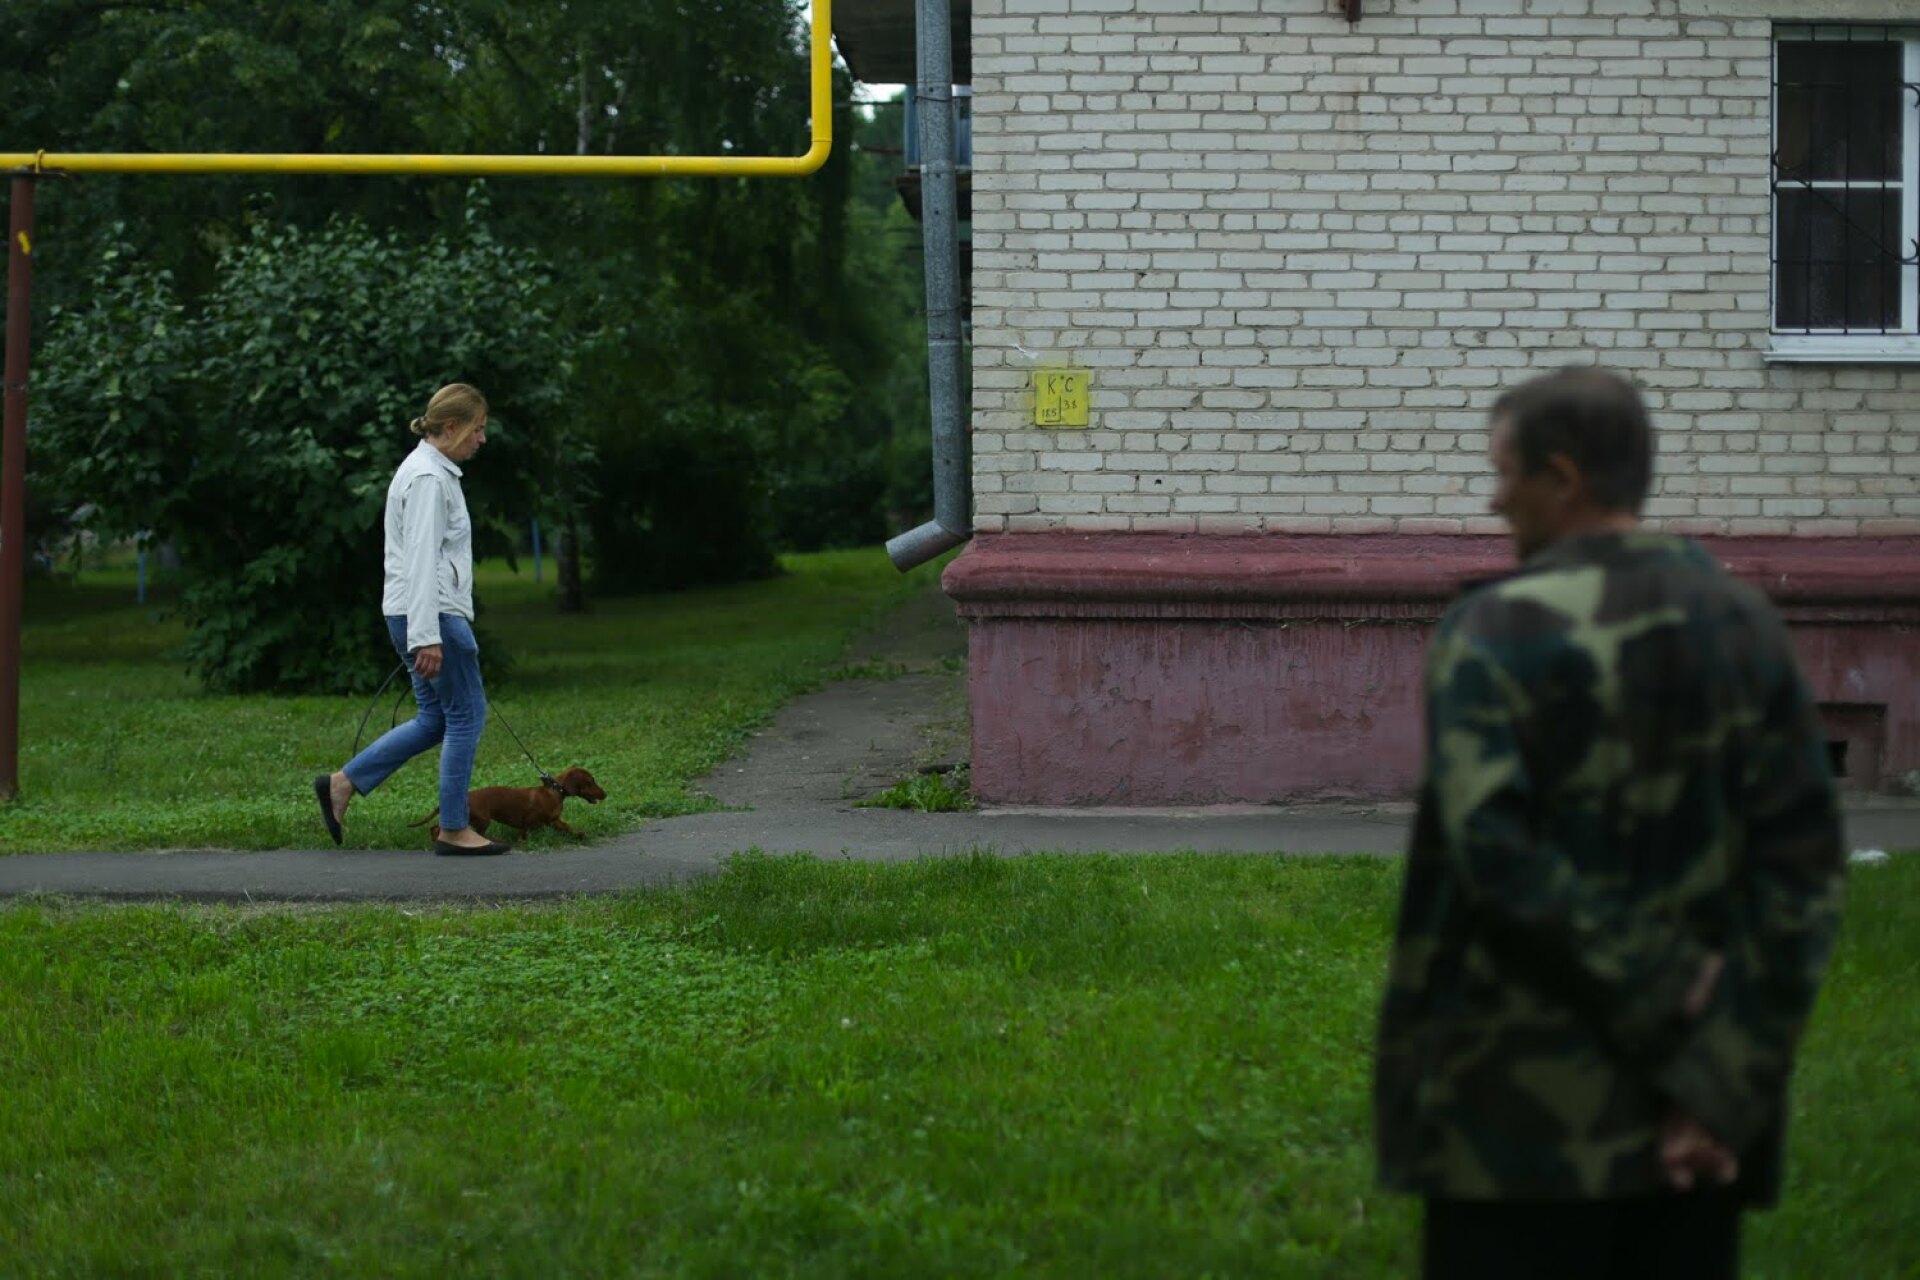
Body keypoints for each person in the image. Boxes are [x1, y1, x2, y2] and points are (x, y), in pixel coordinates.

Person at [1372, 366, 1846, 1279]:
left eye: (1505, 473)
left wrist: (1665, 981)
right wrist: (1721, 1086)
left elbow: (1495, 854)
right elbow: (1805, 876)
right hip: (1693, 1128)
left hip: (1513, 1134)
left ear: (1563, 477)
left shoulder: (1494, 632)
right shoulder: (1746, 627)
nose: (1494, 499)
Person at [313, 382, 509, 856]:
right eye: (477, 429)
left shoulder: (430, 471)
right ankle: (454, 829)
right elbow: (422, 560)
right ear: (451, 427)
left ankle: (341, 784)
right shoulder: (428, 479)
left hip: (417, 614)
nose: (482, 439)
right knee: (466, 716)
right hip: (431, 616)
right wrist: (427, 636)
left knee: (435, 719)